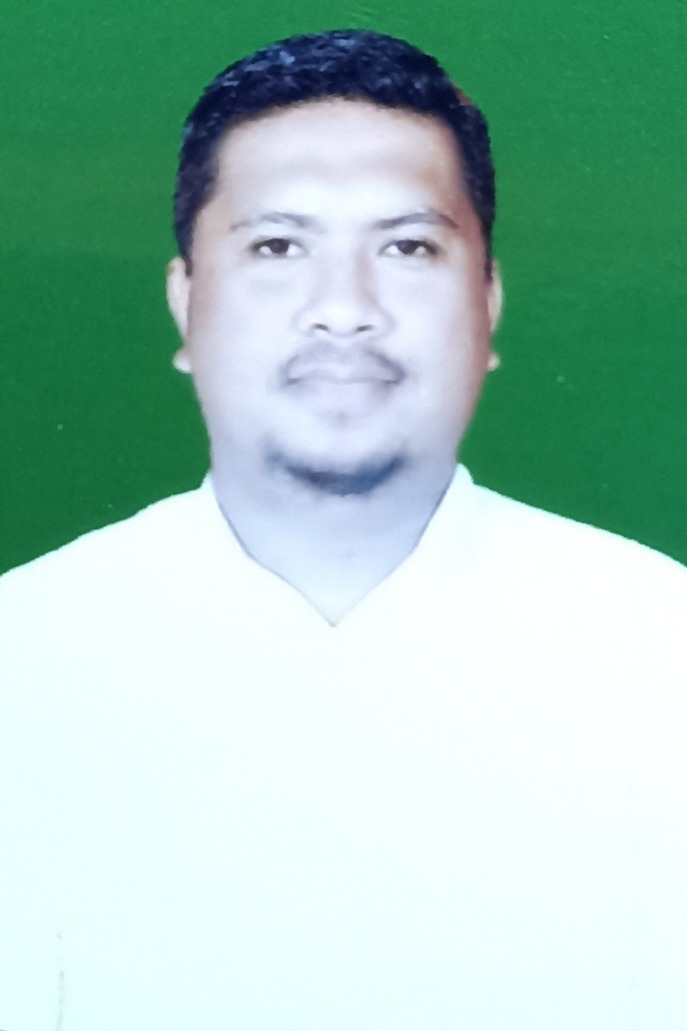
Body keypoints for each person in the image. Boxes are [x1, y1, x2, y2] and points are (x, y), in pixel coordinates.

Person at [1, 28, 685, 1031]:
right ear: (186, 303)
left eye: (407, 247)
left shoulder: (657, 645)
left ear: (488, 304)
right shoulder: (27, 651)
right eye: (278, 247)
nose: (343, 310)